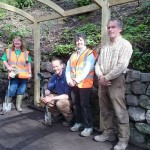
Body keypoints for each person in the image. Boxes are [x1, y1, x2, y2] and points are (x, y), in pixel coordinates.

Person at [94, 19, 133, 150]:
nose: (110, 29)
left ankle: (123, 140)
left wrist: (106, 77)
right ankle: (108, 133)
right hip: (103, 81)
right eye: (109, 27)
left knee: (119, 110)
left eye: (113, 27)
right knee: (105, 110)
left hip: (115, 81)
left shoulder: (125, 45)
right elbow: (97, 64)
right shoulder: (104, 47)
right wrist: (100, 76)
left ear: (120, 29)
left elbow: (122, 65)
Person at [66, 33, 97, 137]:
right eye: (77, 41)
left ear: (85, 41)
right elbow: (68, 68)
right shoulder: (73, 54)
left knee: (84, 106)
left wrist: (76, 80)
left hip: (84, 84)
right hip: (73, 84)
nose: (79, 42)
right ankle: (78, 122)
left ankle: (88, 127)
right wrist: (69, 80)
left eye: (81, 40)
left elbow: (87, 70)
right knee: (76, 105)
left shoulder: (89, 54)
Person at [1, 36, 32, 112]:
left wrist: (30, 73)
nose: (17, 42)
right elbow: (3, 60)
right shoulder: (9, 51)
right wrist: (8, 67)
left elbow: (29, 64)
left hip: (24, 75)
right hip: (13, 74)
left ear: (21, 43)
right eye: (15, 41)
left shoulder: (25, 52)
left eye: (18, 41)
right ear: (13, 42)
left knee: (21, 90)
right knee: (12, 89)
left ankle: (18, 106)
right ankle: (7, 104)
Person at [40, 58, 73, 127]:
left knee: (60, 103)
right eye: (53, 67)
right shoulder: (55, 76)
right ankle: (58, 116)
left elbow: (67, 96)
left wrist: (52, 98)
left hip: (70, 99)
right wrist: (43, 95)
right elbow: (49, 89)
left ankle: (71, 120)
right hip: (60, 96)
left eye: (57, 66)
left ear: (62, 66)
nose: (55, 68)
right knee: (46, 99)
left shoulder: (67, 76)